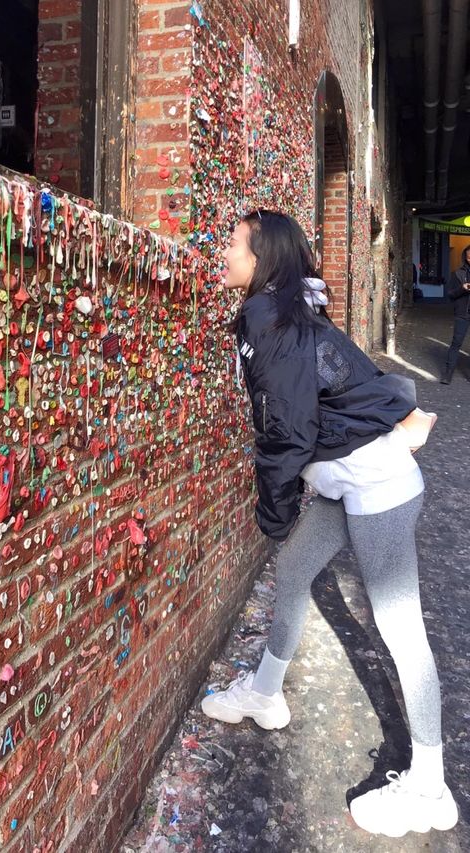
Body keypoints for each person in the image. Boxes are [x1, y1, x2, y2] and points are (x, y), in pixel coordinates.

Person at [202, 210, 458, 838]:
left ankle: (430, 785)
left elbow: (287, 426)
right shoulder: (278, 312)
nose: (222, 249)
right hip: (347, 481)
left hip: (378, 487)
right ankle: (265, 694)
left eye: (232, 242)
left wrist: (275, 507)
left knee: (399, 627)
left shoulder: (274, 320)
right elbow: (329, 396)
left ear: (263, 257)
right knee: (293, 576)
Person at [441, 245, 470, 384]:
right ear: (465, 257)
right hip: (462, 314)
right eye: (469, 256)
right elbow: (450, 295)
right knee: (456, 343)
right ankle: (448, 374)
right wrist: (462, 289)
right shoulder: (458, 273)